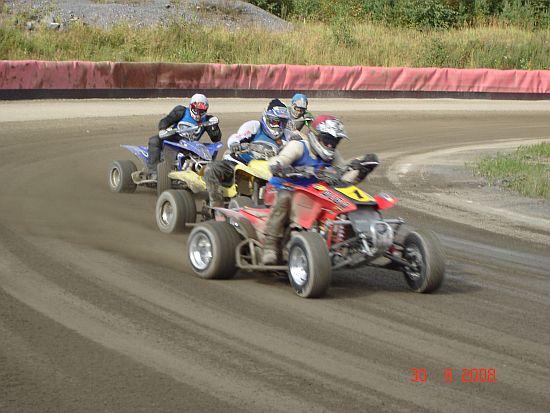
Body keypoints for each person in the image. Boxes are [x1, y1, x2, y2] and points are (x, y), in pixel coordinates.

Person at [261, 115, 379, 265]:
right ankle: (270, 246)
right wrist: (281, 166)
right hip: (281, 188)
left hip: (313, 193)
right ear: (316, 135)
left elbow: (342, 180)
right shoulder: (299, 146)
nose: (331, 145)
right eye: (328, 139)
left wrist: (361, 170)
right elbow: (279, 160)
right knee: (285, 197)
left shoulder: (332, 155)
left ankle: (349, 243)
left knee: (344, 202)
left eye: (335, 141)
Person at [204, 99, 290, 208]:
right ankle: (216, 206)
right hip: (240, 163)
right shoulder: (255, 126)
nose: (279, 127)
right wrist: (235, 144)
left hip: (269, 168)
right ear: (267, 118)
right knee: (211, 169)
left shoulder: (288, 135)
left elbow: (299, 147)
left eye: (282, 123)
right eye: (275, 122)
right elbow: (236, 137)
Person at [137, 94, 221, 180]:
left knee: (209, 151)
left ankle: (205, 172)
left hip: (191, 145)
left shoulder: (208, 120)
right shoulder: (181, 111)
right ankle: (154, 172)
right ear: (191, 107)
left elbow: (216, 139)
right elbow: (166, 120)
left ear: (206, 110)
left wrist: (214, 127)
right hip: (174, 139)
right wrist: (162, 129)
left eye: (201, 111)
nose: (198, 115)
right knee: (154, 140)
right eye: (196, 110)